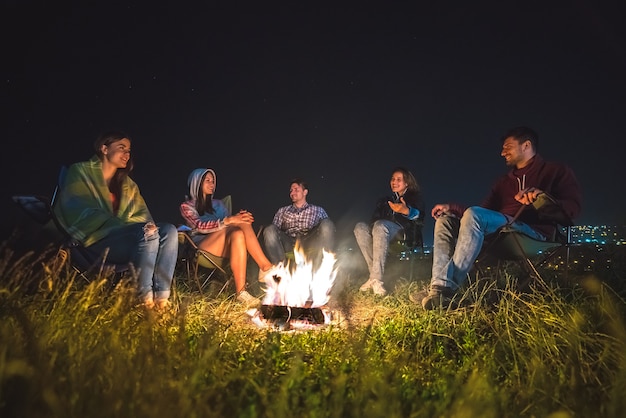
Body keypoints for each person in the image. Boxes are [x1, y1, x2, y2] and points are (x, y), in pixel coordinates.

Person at [412, 126, 582, 310]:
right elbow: (480, 213)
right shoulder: (503, 182)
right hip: (500, 233)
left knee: (474, 214)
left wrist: (542, 199)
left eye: (508, 146)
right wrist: (451, 208)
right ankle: (438, 289)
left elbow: (572, 210)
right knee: (444, 219)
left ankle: (444, 290)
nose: (502, 152)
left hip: (532, 234)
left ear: (526, 145)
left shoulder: (555, 171)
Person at [53, 131, 178, 310]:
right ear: (104, 149)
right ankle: (144, 303)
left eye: (129, 150)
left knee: (169, 230)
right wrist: (133, 227)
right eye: (122, 148)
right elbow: (78, 208)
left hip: (126, 240)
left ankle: (161, 303)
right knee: (145, 232)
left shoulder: (129, 186)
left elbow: (143, 216)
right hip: (93, 240)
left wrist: (145, 227)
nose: (127, 154)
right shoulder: (80, 171)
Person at [180, 168, 279, 305]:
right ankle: (265, 266)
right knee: (237, 223)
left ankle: (241, 293)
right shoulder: (187, 206)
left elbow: (231, 226)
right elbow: (199, 226)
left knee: (238, 232)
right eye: (207, 181)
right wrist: (230, 220)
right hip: (203, 247)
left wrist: (239, 218)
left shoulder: (219, 204)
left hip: (225, 247)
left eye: (213, 181)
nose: (212, 184)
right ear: (196, 183)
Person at [354, 166, 425, 296]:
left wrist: (406, 211)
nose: (394, 182)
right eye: (393, 179)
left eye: (399, 179)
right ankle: (374, 276)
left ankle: (377, 279)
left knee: (381, 225)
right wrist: (371, 228)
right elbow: (374, 219)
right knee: (360, 227)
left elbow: (418, 215)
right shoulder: (384, 201)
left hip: (403, 233)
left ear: (407, 183)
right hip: (380, 231)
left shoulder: (414, 198)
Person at [262, 178, 335, 269]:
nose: (292, 193)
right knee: (269, 230)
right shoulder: (282, 211)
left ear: (305, 192)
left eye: (296, 190)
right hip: (289, 242)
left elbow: (328, 229)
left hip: (310, 240)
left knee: (326, 223)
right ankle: (280, 270)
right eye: (291, 191)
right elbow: (273, 233)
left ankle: (326, 265)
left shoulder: (317, 210)